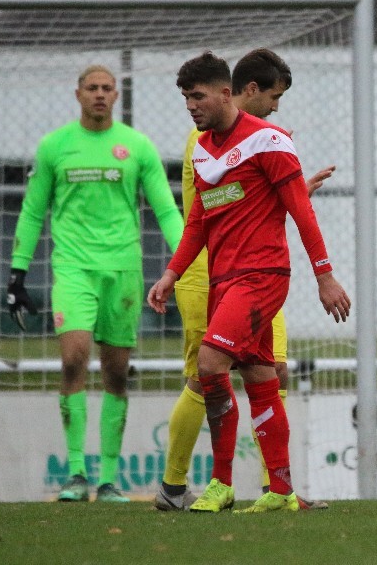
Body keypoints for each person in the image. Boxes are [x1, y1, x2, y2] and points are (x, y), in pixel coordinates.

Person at [147, 51, 350, 514]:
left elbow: (301, 211)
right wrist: (171, 274)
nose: (190, 106)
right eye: (185, 98)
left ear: (225, 92)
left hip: (261, 275)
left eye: (197, 96)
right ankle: (280, 491)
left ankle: (220, 483)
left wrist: (325, 276)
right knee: (261, 376)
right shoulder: (202, 147)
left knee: (210, 363)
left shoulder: (269, 140)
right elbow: (198, 220)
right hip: (222, 279)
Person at [6, 65, 183, 502]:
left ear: (116, 96)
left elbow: (164, 208)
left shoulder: (137, 146)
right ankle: (76, 473)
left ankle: (107, 480)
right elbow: (32, 212)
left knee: (117, 374)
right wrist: (18, 272)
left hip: (122, 271)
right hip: (72, 268)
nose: (100, 95)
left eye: (107, 88)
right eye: (92, 88)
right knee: (73, 358)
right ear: (78, 94)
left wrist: (186, 261)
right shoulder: (55, 146)